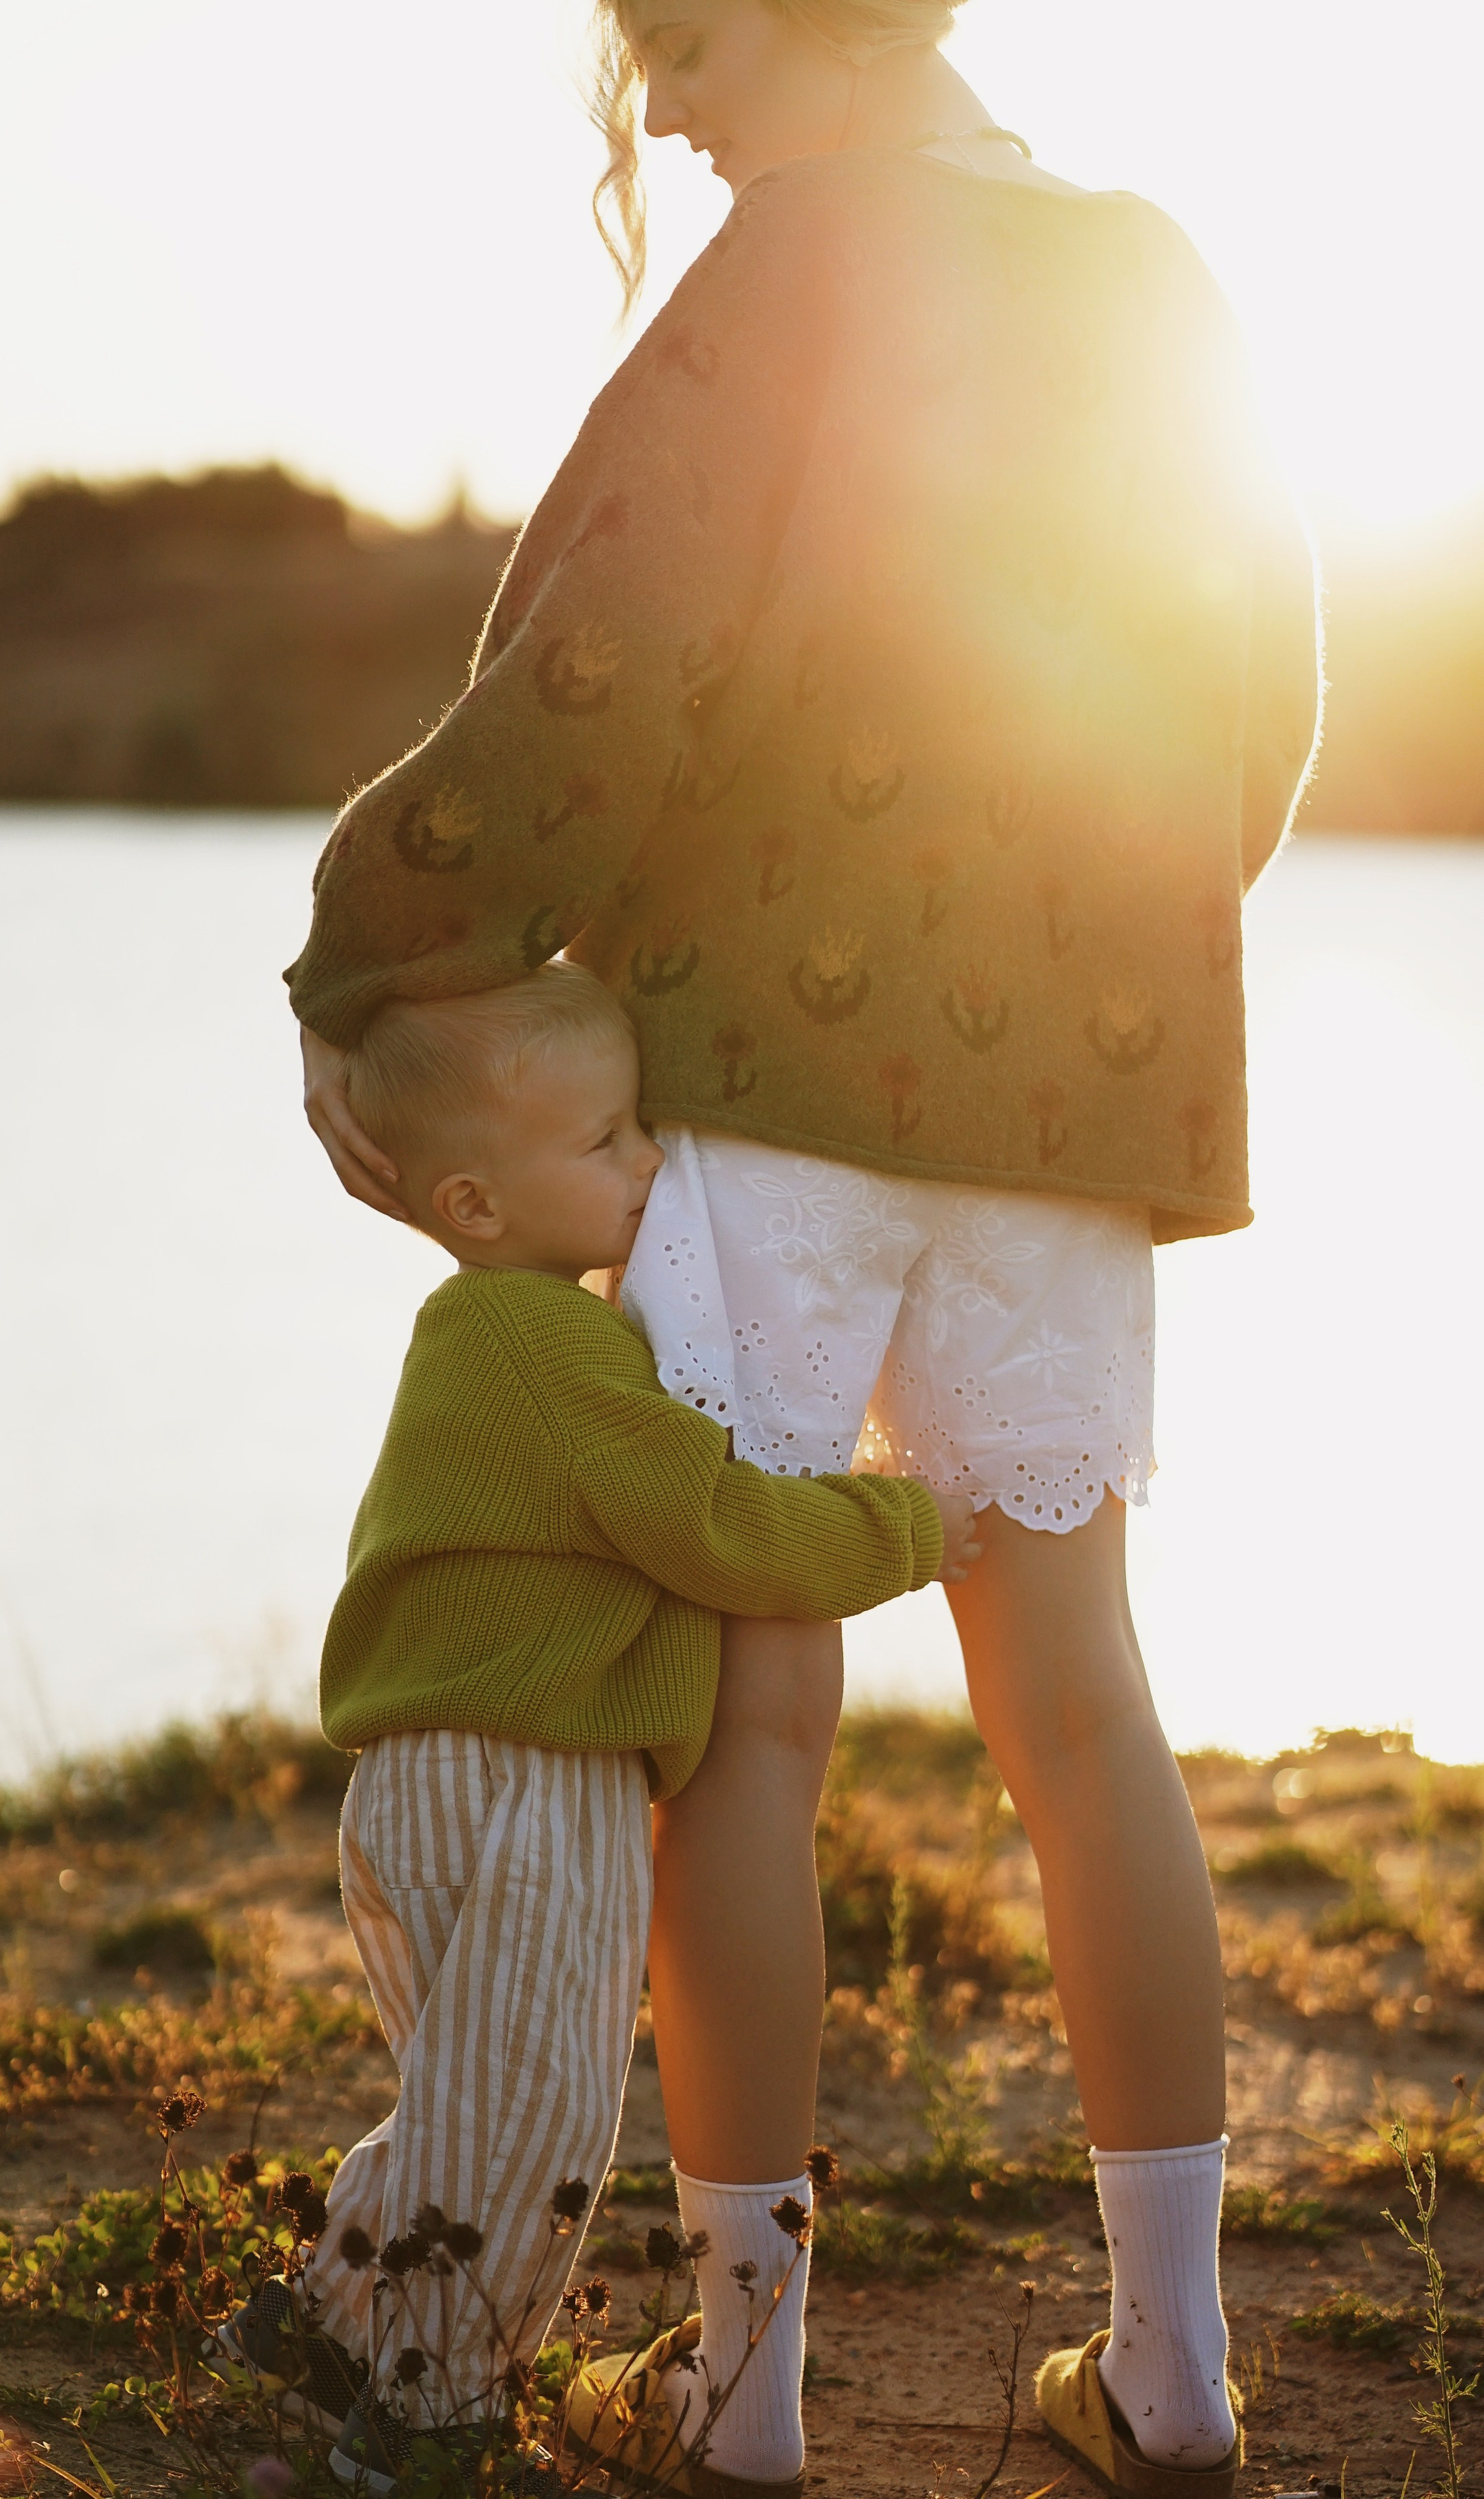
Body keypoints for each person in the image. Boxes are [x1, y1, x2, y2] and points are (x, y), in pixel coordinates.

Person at [285, 3, 1321, 2492]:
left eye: (690, 30)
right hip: (1073, 1103)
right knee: (1089, 1719)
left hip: (755, 1082)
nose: (659, 96)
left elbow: (595, 683)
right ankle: (1172, 2381)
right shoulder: (1149, 269)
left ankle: (748, 2396)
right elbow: (1261, 701)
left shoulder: (783, 283)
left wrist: (364, 943)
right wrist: (1099, 992)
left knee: (752, 1720)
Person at [220, 959, 975, 2492]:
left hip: (434, 1782)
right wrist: (909, 1528)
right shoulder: (545, 1349)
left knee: (477, 2106)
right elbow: (710, 1525)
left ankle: (322, 2332)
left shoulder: (496, 1339)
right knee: (540, 2121)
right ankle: (424, 2410)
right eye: (610, 1142)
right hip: (522, 1783)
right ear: (476, 1203)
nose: (650, 1170)